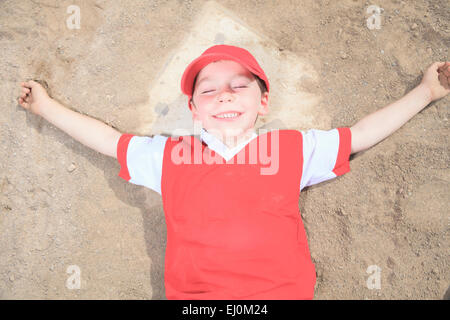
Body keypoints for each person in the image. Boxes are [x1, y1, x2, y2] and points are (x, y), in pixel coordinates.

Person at [18, 44, 450, 300]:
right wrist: (45, 108)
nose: (224, 96)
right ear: (194, 110)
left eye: (239, 86)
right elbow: (108, 140)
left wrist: (425, 93)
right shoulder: (169, 155)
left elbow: (357, 136)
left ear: (263, 102)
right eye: (208, 90)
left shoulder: (292, 148)